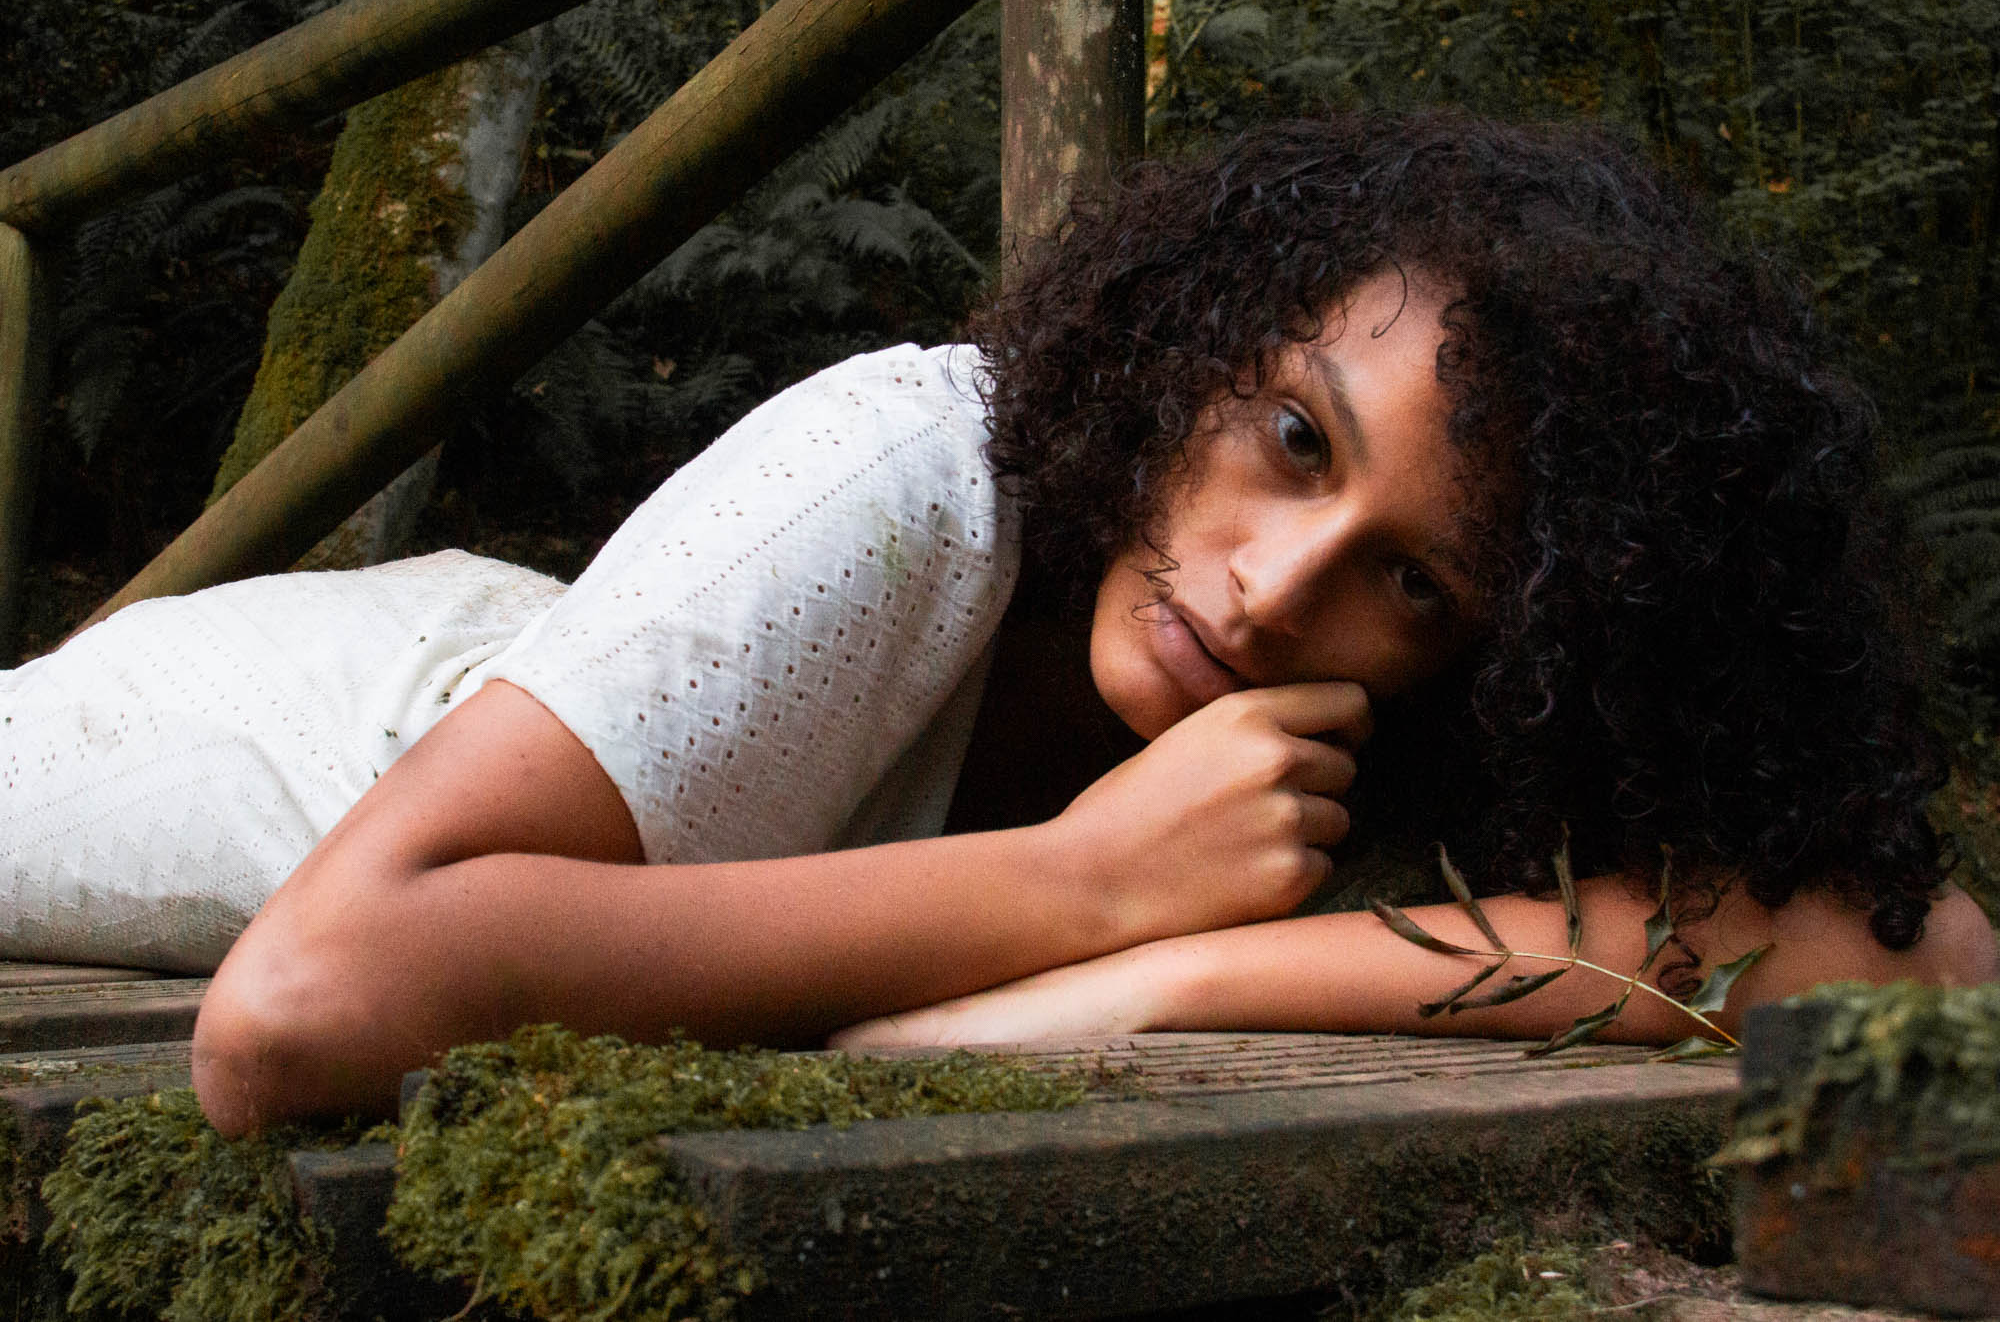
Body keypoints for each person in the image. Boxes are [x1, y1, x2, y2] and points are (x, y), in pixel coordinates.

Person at [2, 113, 1989, 1139]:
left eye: (1418, 579)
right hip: (260, 730)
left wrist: (1176, 978)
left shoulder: (1376, 753)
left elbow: (1927, 957)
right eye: (1296, 437)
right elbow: (296, 1013)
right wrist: (1080, 886)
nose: (1275, 584)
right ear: (1202, 345)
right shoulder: (923, 471)